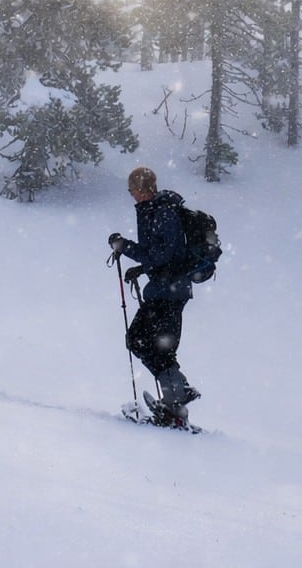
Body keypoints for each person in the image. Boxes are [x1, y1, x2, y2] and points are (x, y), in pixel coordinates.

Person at [109, 166, 201, 426]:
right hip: (166, 288)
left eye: (132, 190)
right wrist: (141, 268)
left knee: (143, 341)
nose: (131, 195)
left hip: (169, 291)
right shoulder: (155, 210)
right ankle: (177, 398)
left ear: (141, 189)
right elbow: (162, 253)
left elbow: (163, 254)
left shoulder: (163, 212)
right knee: (149, 343)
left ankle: (176, 400)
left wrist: (125, 247)